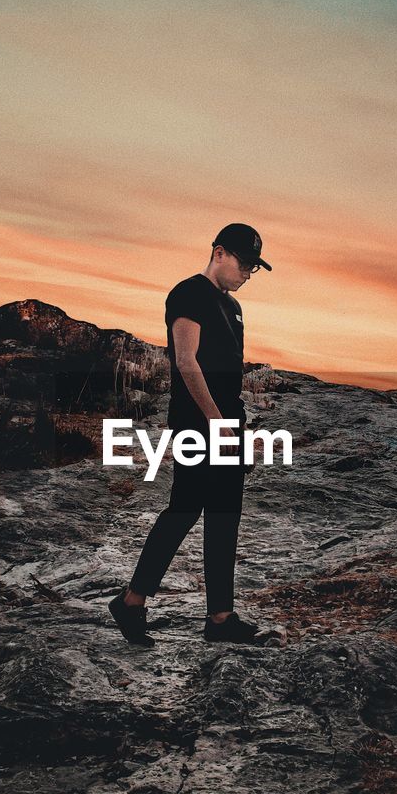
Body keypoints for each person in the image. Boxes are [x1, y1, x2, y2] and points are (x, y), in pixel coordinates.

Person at [109, 223, 271, 647]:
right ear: (220, 253)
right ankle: (131, 601)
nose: (247, 274)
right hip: (197, 423)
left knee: (224, 517)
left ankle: (220, 618)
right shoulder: (189, 293)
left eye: (253, 268)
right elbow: (186, 362)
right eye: (245, 264)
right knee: (183, 511)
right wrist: (216, 422)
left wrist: (235, 427)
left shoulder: (232, 308)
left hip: (227, 422)